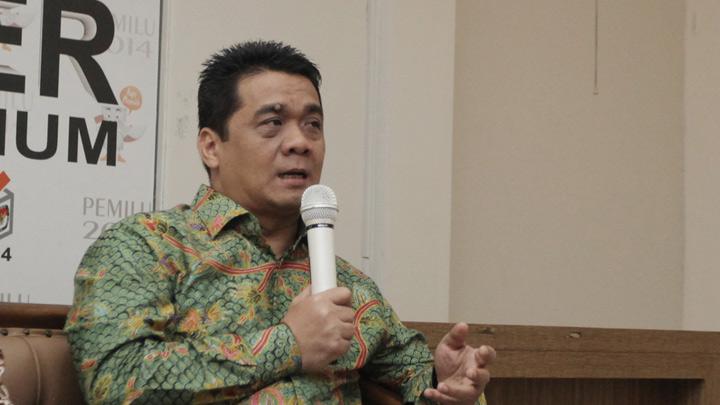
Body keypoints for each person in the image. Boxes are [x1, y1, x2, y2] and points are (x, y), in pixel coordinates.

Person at [65, 40, 495, 404]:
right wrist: (289, 344)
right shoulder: (145, 246)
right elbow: (115, 381)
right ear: (211, 147)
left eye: (313, 125)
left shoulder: (349, 286)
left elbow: (416, 375)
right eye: (273, 123)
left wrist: (447, 383)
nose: (300, 143)